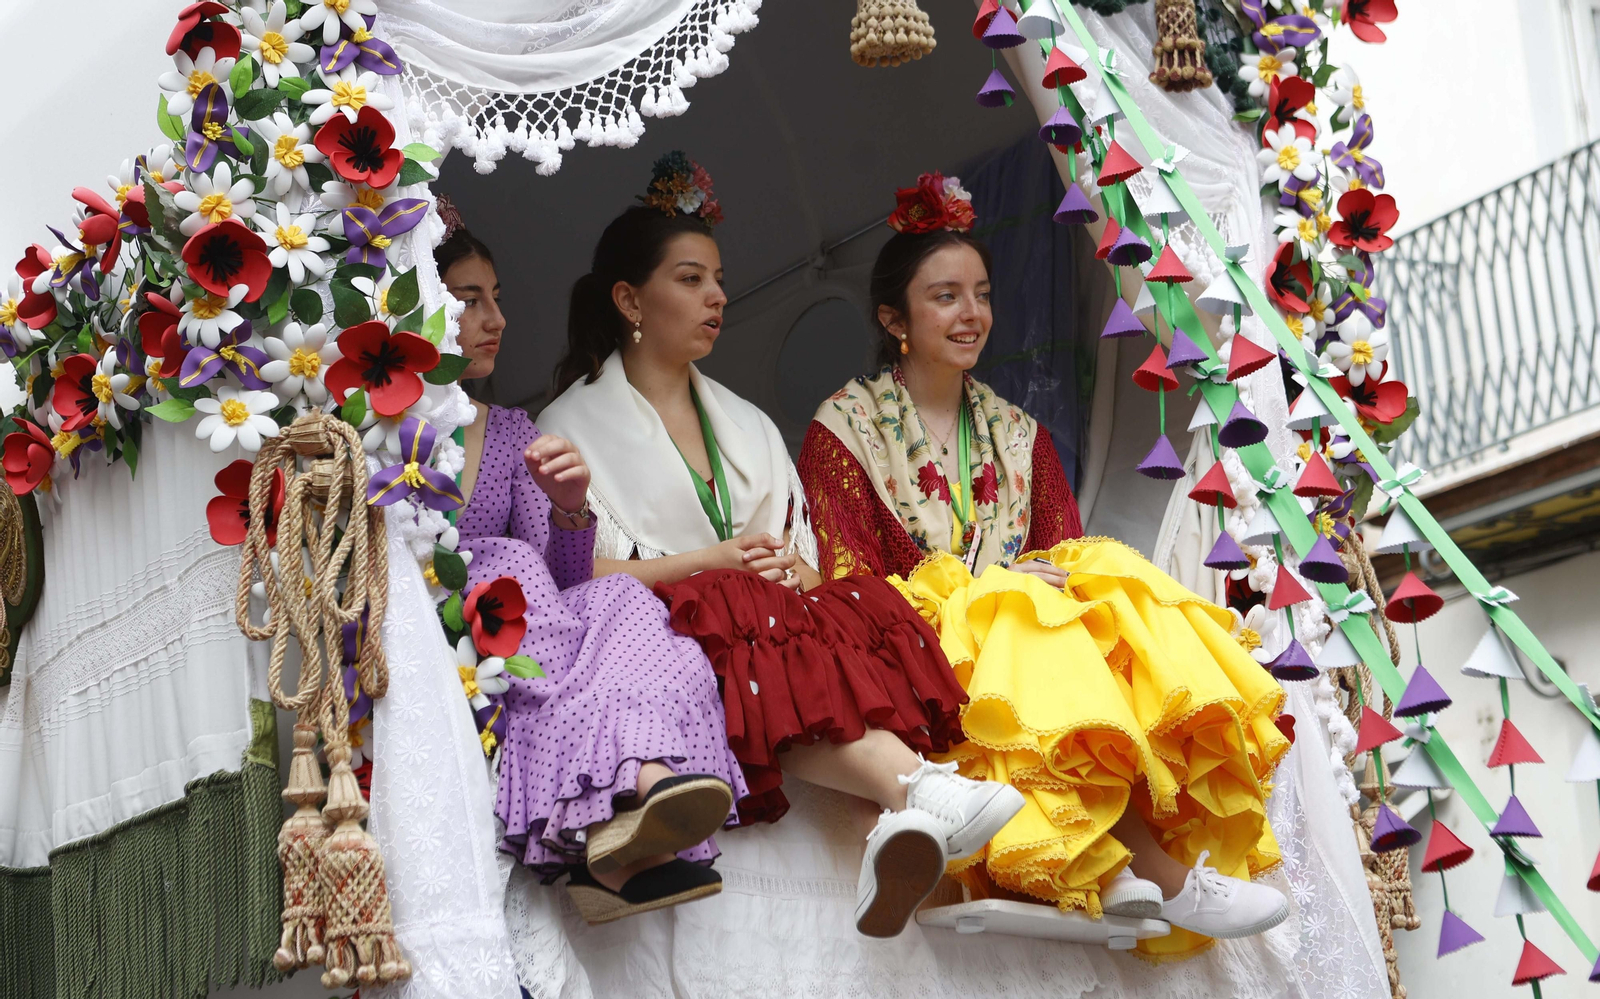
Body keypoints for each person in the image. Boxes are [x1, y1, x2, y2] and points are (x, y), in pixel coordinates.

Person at [796, 172, 1292, 958]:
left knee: (1098, 578)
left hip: (1022, 629)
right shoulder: (844, 427)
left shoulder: (1016, 431)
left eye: (982, 293)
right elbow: (847, 581)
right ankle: (1161, 870)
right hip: (906, 639)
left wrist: (1025, 586)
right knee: (1025, 608)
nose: (972, 315)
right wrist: (986, 589)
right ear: (894, 318)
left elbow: (1059, 554)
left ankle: (1115, 862)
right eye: (945, 296)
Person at [536, 153, 1024, 938]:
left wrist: (795, 569)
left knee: (861, 595)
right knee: (735, 602)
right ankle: (910, 792)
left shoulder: (747, 419)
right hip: (655, 632)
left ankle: (900, 813)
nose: (719, 296)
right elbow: (571, 580)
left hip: (756, 610)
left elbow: (797, 549)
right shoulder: (565, 427)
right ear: (630, 297)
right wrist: (715, 563)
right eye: (691, 279)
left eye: (719, 278)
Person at [433, 196, 747, 925]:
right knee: (500, 562)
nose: (496, 318)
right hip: (452, 626)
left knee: (627, 602)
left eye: (496, 299)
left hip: (530, 619)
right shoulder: (380, 428)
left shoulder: (511, 431)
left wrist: (572, 506)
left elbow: (566, 575)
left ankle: (631, 826)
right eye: (468, 299)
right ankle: (632, 805)